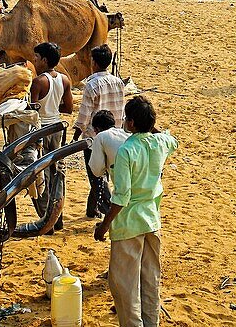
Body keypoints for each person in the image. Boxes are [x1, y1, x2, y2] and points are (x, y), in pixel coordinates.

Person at [94, 96, 177, 327]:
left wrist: (104, 226)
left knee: (125, 286)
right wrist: (150, 129)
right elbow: (173, 139)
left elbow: (121, 197)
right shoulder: (160, 143)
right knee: (150, 280)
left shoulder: (126, 151)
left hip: (128, 225)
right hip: (151, 220)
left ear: (130, 123)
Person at [74, 44, 125, 217]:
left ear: (94, 63)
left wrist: (76, 136)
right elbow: (121, 109)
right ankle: (92, 210)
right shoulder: (118, 82)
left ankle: (110, 214)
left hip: (94, 138)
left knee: (96, 177)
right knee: (105, 174)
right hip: (116, 135)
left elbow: (84, 114)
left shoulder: (91, 84)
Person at [88, 109, 130, 184]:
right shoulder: (127, 133)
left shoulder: (101, 136)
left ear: (97, 129)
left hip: (126, 186)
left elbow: (97, 171)